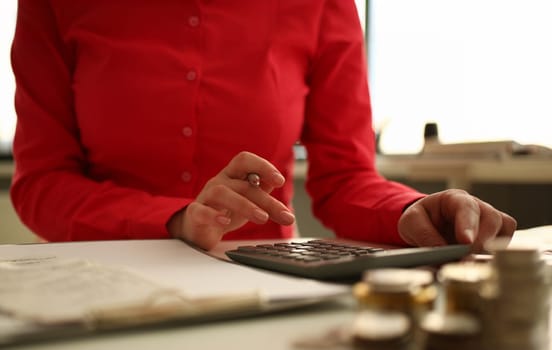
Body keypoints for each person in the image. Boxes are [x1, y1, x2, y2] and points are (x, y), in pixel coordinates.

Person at [10, 0, 515, 252]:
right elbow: (41, 184)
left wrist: (408, 211)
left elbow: (345, 179)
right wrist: (178, 218)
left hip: (266, 282)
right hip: (101, 284)